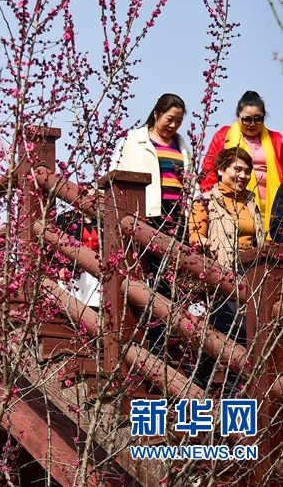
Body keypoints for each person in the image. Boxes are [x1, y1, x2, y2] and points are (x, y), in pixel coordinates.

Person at [110, 94, 191, 350]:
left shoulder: (182, 145)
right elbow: (115, 170)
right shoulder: (134, 140)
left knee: (171, 276)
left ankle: (165, 334)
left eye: (178, 121)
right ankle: (150, 333)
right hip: (148, 212)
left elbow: (191, 181)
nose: (173, 126)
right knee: (150, 272)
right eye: (170, 119)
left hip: (177, 215)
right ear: (156, 113)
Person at [188, 147, 262, 392]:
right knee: (231, 334)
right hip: (220, 274)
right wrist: (202, 244)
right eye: (237, 169)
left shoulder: (252, 201)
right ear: (221, 171)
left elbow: (260, 240)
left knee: (243, 335)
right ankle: (214, 389)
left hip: (250, 277)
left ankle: (227, 389)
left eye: (247, 171)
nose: (243, 176)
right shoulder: (205, 201)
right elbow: (196, 235)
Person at [200, 91, 282, 234]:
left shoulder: (275, 139)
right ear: (238, 116)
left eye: (258, 119)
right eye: (247, 119)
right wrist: (210, 196)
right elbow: (208, 170)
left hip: (271, 208)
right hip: (232, 206)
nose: (252, 124)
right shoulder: (223, 136)